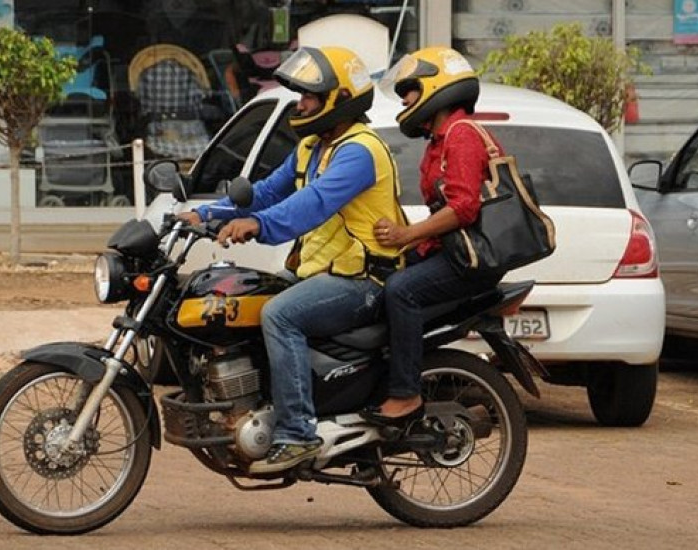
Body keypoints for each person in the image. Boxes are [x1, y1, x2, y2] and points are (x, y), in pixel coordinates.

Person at [177, 45, 407, 474]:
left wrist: (258, 226)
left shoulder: (359, 150)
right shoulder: (312, 148)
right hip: (317, 273)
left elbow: (311, 205)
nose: (300, 105)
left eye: (309, 97)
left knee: (280, 316)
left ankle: (298, 433)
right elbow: (265, 192)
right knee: (241, 295)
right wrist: (205, 213)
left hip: (363, 282)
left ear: (339, 99)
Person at [360, 46, 506, 425]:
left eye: (409, 90)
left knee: (401, 291)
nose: (405, 99)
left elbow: (463, 209)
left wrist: (407, 234)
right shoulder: (439, 140)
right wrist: (404, 241)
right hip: (451, 252)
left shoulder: (460, 134)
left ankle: (406, 393)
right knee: (380, 279)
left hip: (470, 260)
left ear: (436, 87)